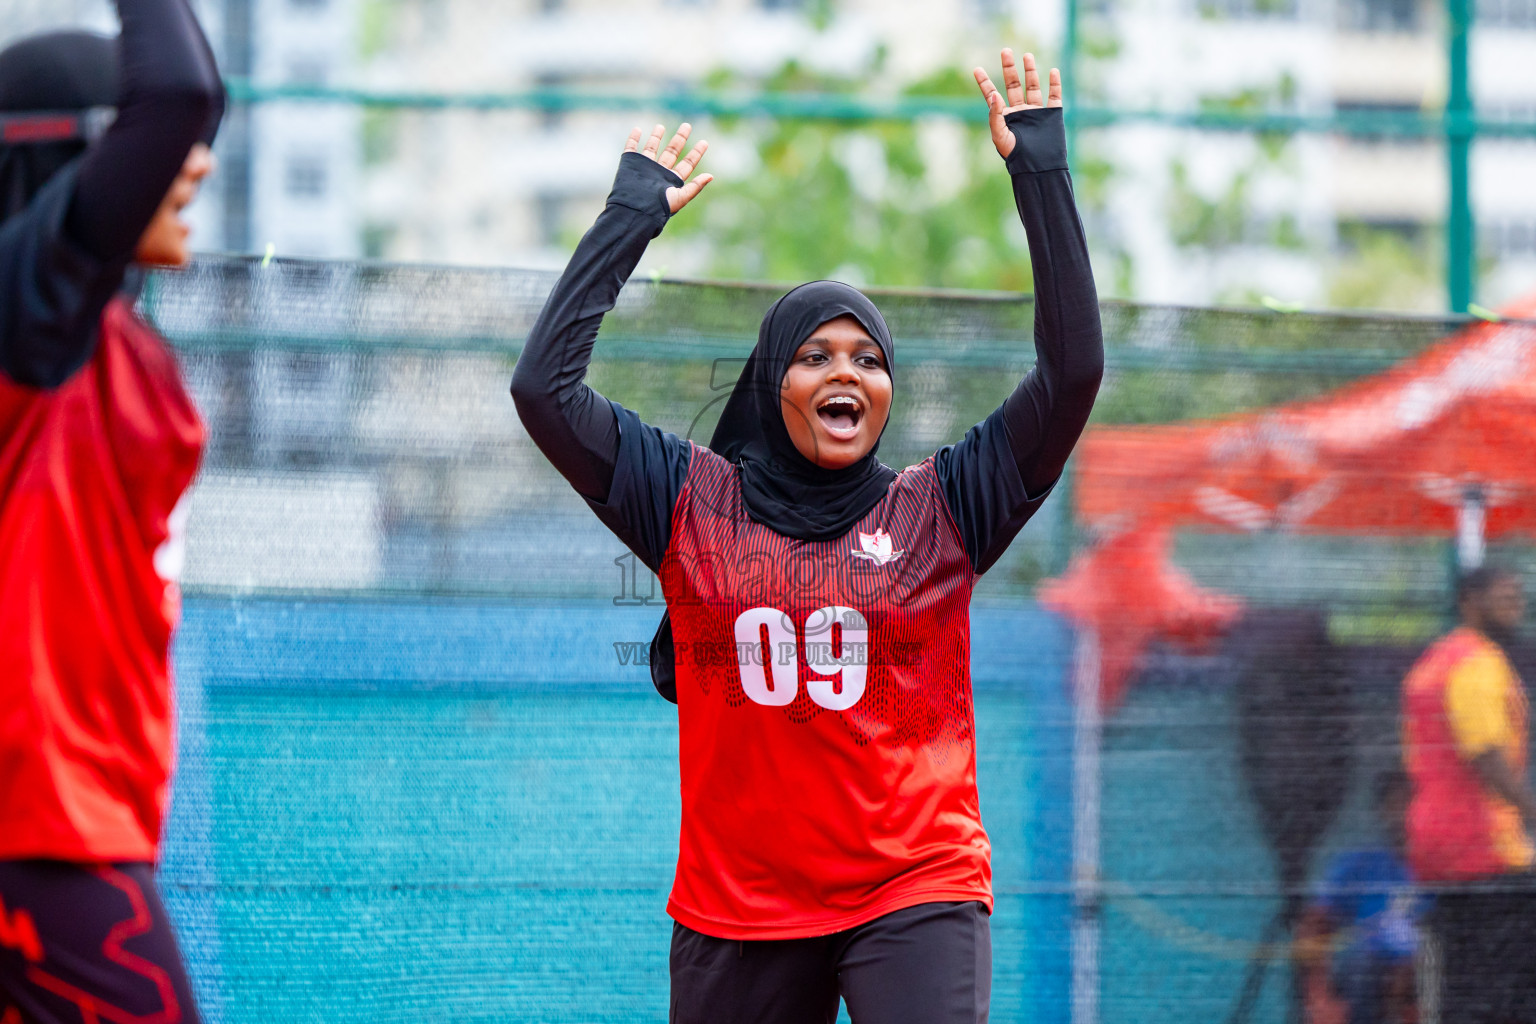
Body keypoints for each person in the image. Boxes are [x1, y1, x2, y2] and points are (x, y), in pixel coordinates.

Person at [511, 48, 1102, 1024]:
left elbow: (1073, 371)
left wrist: (1038, 169)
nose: (849, 371)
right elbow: (545, 390)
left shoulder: (943, 507)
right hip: (737, 905)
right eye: (818, 352)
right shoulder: (687, 500)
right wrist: (629, 219)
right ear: (772, 382)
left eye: (870, 357)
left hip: (913, 884)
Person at [0, 3, 224, 1023]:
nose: (198, 166)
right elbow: (178, 89)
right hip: (35, 831)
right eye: (169, 153)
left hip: (81, 822)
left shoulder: (125, 348)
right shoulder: (18, 322)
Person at [1401, 565, 1536, 1024]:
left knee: (1466, 979)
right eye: (1505, 597)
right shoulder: (1478, 663)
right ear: (1470, 602)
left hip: (1437, 845)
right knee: (1508, 988)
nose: (1516, 607)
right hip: (1486, 846)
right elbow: (1486, 754)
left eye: (1519, 597)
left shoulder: (1431, 664)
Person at [1296, 770, 1425, 1024]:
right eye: (1395, 802)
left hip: (1426, 971)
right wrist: (1318, 995)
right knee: (1362, 967)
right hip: (1369, 974)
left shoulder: (1445, 866)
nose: (1403, 812)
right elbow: (1315, 924)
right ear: (1381, 810)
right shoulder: (1359, 865)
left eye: (1410, 801)